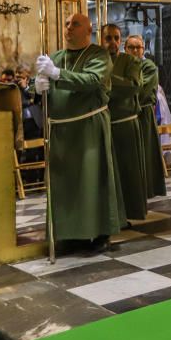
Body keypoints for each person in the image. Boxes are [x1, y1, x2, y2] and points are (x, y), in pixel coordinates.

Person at [35, 13, 125, 252]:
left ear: (88, 31)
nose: (68, 28)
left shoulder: (99, 55)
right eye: (66, 23)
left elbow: (92, 80)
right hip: (61, 131)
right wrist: (37, 87)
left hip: (88, 128)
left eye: (75, 24)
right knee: (65, 185)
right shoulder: (56, 57)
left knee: (91, 182)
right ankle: (69, 234)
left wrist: (56, 75)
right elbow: (44, 84)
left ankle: (99, 234)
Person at [102, 24, 149, 221]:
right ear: (101, 39)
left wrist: (105, 80)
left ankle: (131, 212)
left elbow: (134, 86)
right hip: (104, 125)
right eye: (108, 38)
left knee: (127, 172)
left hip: (125, 124)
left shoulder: (130, 61)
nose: (112, 42)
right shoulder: (96, 61)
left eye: (116, 38)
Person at [126, 35, 167, 198]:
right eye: (132, 47)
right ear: (125, 49)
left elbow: (141, 89)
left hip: (143, 113)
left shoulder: (148, 66)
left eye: (138, 47)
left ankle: (148, 187)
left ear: (143, 49)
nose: (135, 50)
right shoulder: (121, 65)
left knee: (145, 151)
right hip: (127, 115)